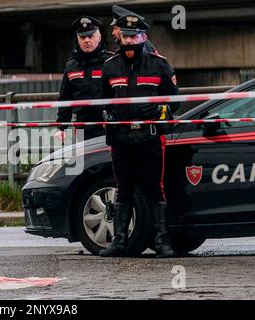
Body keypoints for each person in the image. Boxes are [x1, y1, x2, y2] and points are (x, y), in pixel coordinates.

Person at [99, 14, 179, 258]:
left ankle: (162, 243)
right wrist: (107, 116)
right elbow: (103, 101)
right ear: (119, 38)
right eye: (125, 36)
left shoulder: (160, 65)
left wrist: (161, 111)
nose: (129, 41)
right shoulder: (110, 66)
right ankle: (119, 242)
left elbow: (174, 100)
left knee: (155, 189)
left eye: (134, 36)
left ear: (144, 37)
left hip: (150, 138)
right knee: (123, 189)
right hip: (121, 139)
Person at [55, 16, 114, 142]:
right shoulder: (71, 65)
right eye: (82, 37)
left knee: (107, 160)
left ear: (99, 37)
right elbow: (65, 97)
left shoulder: (110, 62)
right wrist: (61, 127)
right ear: (78, 39)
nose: (87, 40)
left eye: (91, 36)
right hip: (82, 124)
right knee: (83, 159)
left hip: (107, 122)